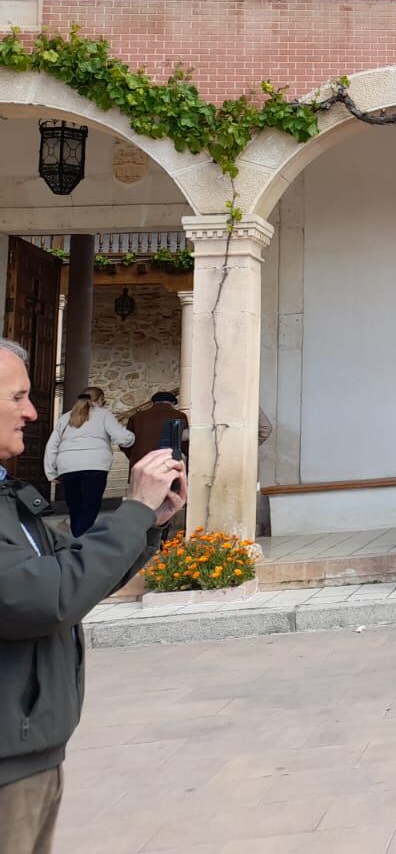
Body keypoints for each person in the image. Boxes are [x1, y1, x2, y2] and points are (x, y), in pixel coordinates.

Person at [0, 339, 185, 851]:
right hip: (6, 761)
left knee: (82, 521)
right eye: (17, 397)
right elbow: (51, 596)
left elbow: (76, 569)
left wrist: (148, 522)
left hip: (27, 751)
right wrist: (132, 511)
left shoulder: (8, 495)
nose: (31, 412)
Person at [43, 387, 134, 538]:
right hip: (95, 465)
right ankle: (81, 540)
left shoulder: (66, 417)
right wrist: (133, 437)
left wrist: (50, 471)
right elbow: (123, 438)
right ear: (99, 400)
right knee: (90, 506)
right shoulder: (103, 414)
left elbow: (52, 444)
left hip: (67, 466)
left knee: (75, 507)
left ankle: (77, 537)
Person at [125, 391, 188, 465]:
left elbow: (126, 441)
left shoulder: (136, 417)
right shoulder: (178, 415)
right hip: (168, 461)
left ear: (153, 403)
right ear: (172, 403)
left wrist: (134, 457)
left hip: (141, 461)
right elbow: (183, 443)